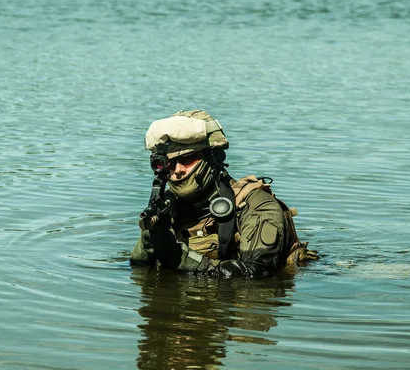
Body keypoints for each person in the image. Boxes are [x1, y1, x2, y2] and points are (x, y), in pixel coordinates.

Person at [130, 109, 318, 278]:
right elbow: (139, 270)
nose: (177, 170)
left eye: (187, 159)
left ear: (213, 158)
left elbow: (256, 273)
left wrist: (178, 258)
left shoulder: (255, 205)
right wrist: (152, 239)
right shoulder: (167, 207)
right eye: (169, 162)